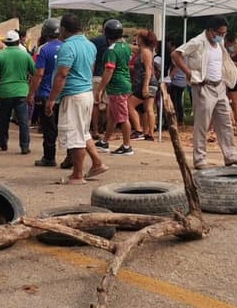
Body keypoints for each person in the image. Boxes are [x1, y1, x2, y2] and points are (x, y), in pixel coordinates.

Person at [171, 16, 237, 169]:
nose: (222, 36)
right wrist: (188, 72)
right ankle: (200, 159)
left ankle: (231, 156)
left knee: (225, 122)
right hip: (203, 86)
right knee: (202, 124)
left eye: (224, 33)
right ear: (211, 31)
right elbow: (176, 55)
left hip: (220, 86)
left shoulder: (220, 43)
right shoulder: (197, 42)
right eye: (220, 33)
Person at [46, 14, 107, 184]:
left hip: (74, 95)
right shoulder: (90, 45)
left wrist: (51, 99)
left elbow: (62, 74)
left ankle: (77, 175)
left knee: (75, 135)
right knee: (83, 132)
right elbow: (90, 68)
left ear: (63, 29)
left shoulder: (68, 47)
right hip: (86, 92)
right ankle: (97, 163)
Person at [0, 30, 36, 154]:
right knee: (23, 121)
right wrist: (31, 90)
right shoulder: (25, 55)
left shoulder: (0, 55)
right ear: (18, 41)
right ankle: (24, 146)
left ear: (6, 42)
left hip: (5, 92)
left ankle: (3, 143)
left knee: (3, 119)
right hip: (22, 92)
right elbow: (35, 73)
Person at [96, 20, 133, 155]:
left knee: (123, 118)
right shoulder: (126, 47)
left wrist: (100, 89)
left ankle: (127, 146)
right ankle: (105, 141)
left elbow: (109, 70)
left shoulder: (111, 50)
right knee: (112, 115)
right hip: (124, 83)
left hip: (117, 87)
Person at [31, 19, 64, 167]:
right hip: (62, 93)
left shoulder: (43, 49)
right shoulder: (65, 47)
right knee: (63, 126)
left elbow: (39, 74)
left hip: (45, 93)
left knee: (49, 129)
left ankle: (49, 157)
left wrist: (31, 93)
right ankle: (70, 157)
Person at [129, 30, 159, 142]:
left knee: (129, 105)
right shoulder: (144, 50)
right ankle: (149, 133)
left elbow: (148, 69)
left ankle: (138, 130)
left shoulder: (145, 52)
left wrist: (145, 86)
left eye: (138, 37)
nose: (136, 39)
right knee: (148, 108)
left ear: (142, 39)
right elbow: (132, 48)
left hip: (146, 82)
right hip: (150, 82)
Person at [165, 36, 187, 128]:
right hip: (183, 80)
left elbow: (176, 67)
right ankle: (180, 119)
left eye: (169, 45)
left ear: (173, 46)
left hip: (176, 81)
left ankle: (177, 119)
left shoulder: (175, 54)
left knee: (175, 101)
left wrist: (169, 77)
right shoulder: (183, 53)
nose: (168, 47)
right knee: (178, 100)